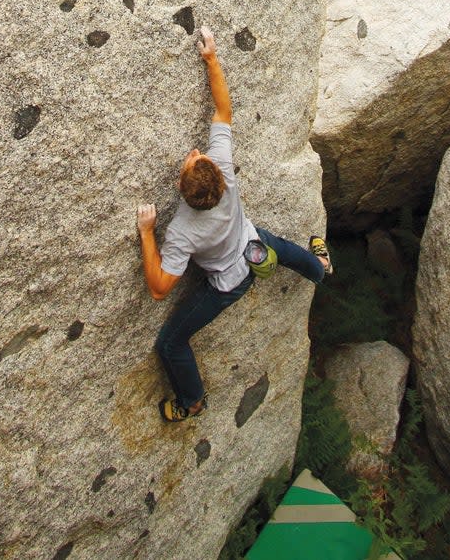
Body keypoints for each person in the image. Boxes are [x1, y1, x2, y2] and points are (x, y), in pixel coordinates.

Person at [136, 26, 332, 422]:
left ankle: (191, 400)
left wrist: (146, 233)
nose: (194, 152)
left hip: (226, 282)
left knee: (171, 343)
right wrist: (212, 58)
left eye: (193, 158)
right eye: (195, 157)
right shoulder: (222, 167)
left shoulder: (182, 231)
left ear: (182, 188)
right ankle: (321, 268)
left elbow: (159, 289)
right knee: (281, 247)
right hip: (254, 246)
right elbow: (223, 110)